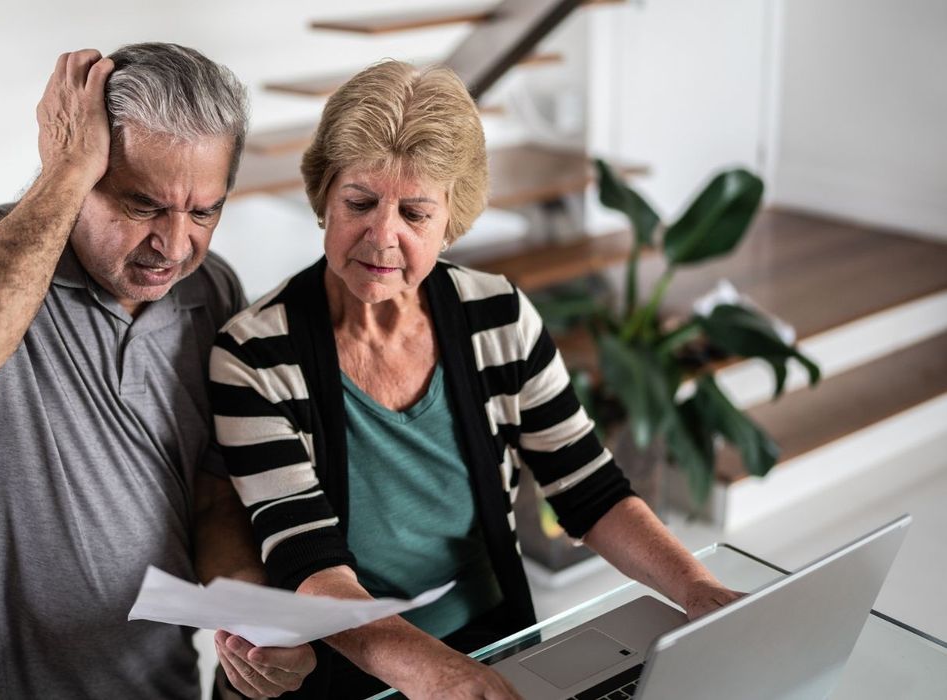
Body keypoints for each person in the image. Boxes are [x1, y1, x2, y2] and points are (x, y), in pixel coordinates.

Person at [207, 60, 742, 699]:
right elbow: (311, 567)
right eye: (359, 203)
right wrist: (437, 676)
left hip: (493, 646)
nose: (383, 236)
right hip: (344, 672)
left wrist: (697, 588)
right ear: (323, 196)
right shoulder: (253, 355)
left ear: (451, 220)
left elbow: (590, 491)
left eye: (415, 212)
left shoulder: (500, 314)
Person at [0, 43, 312, 698]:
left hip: (155, 678)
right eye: (142, 205)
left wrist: (249, 619)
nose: (173, 247)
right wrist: (63, 173)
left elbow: (211, 491)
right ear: (76, 167)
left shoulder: (211, 290)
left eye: (203, 211)